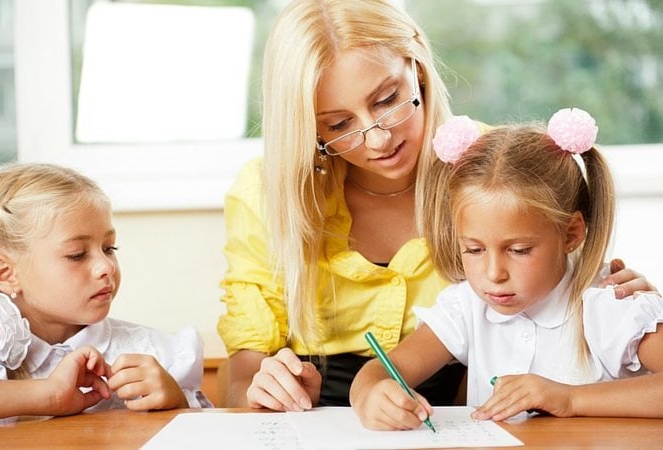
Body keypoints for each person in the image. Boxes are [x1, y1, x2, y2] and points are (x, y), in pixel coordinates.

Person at [217, 0, 655, 412]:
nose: (378, 139)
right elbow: (240, 377)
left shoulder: (487, 171)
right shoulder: (268, 192)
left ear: (418, 68)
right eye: (338, 125)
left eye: (388, 100)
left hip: (466, 407)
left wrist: (626, 300)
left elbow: (565, 277)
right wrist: (268, 392)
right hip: (319, 411)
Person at [350, 108, 663, 430]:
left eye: (519, 250)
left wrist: (570, 399)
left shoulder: (609, 305)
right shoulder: (466, 308)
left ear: (571, 234)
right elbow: (380, 371)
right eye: (473, 249)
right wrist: (371, 395)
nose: (494, 273)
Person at [0, 163, 210, 426]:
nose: (107, 267)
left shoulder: (155, 355)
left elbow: (207, 435)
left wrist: (176, 402)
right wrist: (46, 394)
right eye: (77, 255)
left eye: (109, 248)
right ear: (6, 274)